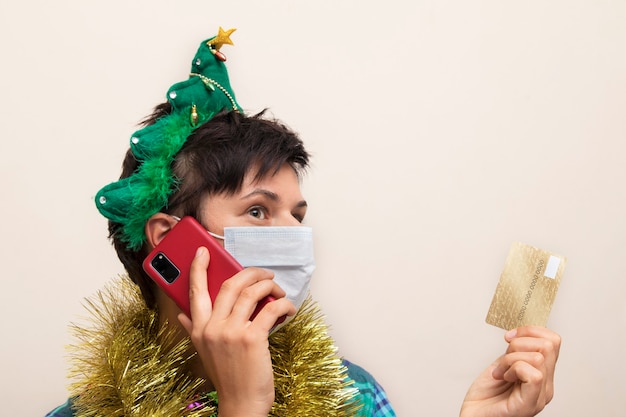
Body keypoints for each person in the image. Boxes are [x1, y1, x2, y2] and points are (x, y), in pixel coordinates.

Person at [46, 28, 560, 417]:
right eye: (257, 212)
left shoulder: (352, 393)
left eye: (297, 216)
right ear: (170, 243)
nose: (291, 236)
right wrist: (245, 406)